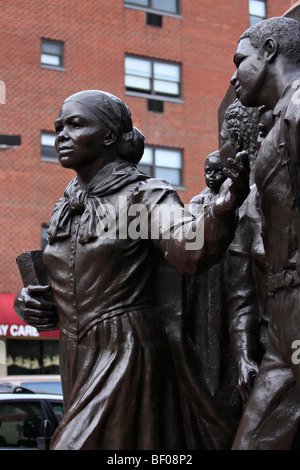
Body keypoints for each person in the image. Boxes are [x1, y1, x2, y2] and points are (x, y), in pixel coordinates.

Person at [14, 90, 250, 450]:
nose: (61, 134)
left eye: (75, 125)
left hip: (125, 349)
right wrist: (32, 302)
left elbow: (188, 247)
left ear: (109, 135)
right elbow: (69, 282)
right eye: (58, 127)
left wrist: (223, 207)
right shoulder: (66, 206)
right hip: (76, 352)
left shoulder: (142, 195)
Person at [230, 17, 300, 450]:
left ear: (269, 50)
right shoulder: (278, 124)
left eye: (240, 60)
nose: (234, 73)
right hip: (283, 317)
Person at [184, 150, 241, 440]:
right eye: (208, 170)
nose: (212, 176)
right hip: (202, 278)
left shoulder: (237, 201)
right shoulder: (195, 202)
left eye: (218, 171)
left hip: (228, 276)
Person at [220, 98, 264, 404]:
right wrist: (244, 355)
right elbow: (241, 295)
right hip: (275, 349)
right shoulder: (243, 209)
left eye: (223, 141)